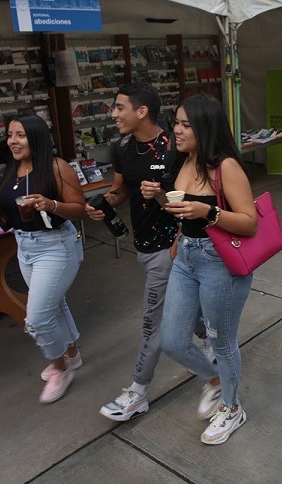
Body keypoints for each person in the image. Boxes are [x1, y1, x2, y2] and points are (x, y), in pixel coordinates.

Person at [88, 83, 212, 423]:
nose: (114, 114)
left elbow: (194, 197)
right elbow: (119, 190)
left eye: (119, 107)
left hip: (170, 248)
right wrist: (103, 204)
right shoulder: (122, 148)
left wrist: (180, 238)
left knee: (151, 322)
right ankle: (210, 338)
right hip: (143, 246)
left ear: (141, 111)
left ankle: (138, 391)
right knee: (180, 306)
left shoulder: (175, 147)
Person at [159, 94, 258, 445]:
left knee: (221, 341)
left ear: (205, 127)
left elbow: (249, 222)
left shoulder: (226, 167)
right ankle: (215, 379)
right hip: (186, 257)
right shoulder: (182, 160)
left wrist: (209, 212)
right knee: (172, 341)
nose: (177, 130)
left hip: (220, 262)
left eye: (186, 124)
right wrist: (161, 202)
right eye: (176, 122)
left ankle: (232, 407)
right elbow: (181, 210)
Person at [0, 114, 87, 404]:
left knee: (38, 317)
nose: (12, 141)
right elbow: (10, 212)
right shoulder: (12, 169)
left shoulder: (57, 167)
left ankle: (59, 369)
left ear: (36, 137)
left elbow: (80, 209)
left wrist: (51, 204)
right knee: (55, 304)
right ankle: (72, 354)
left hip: (55, 246)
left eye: (20, 135)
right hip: (25, 247)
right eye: (9, 135)